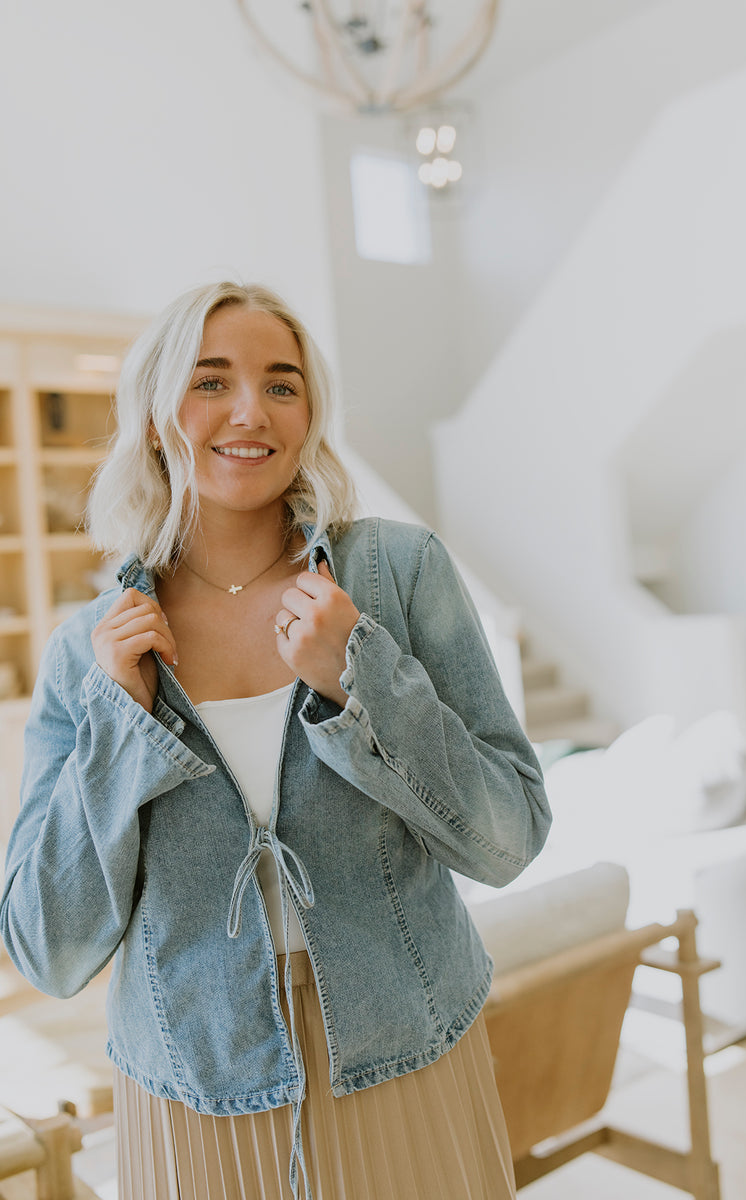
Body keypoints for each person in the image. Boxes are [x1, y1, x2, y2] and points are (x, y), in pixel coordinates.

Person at [1, 281, 551, 1200]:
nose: (250, 411)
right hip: (195, 1094)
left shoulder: (398, 575)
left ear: (309, 416)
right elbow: (46, 950)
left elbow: (510, 836)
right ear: (151, 415)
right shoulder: (83, 653)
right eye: (210, 382)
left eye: (282, 385)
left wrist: (364, 681)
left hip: (406, 1054)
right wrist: (117, 725)